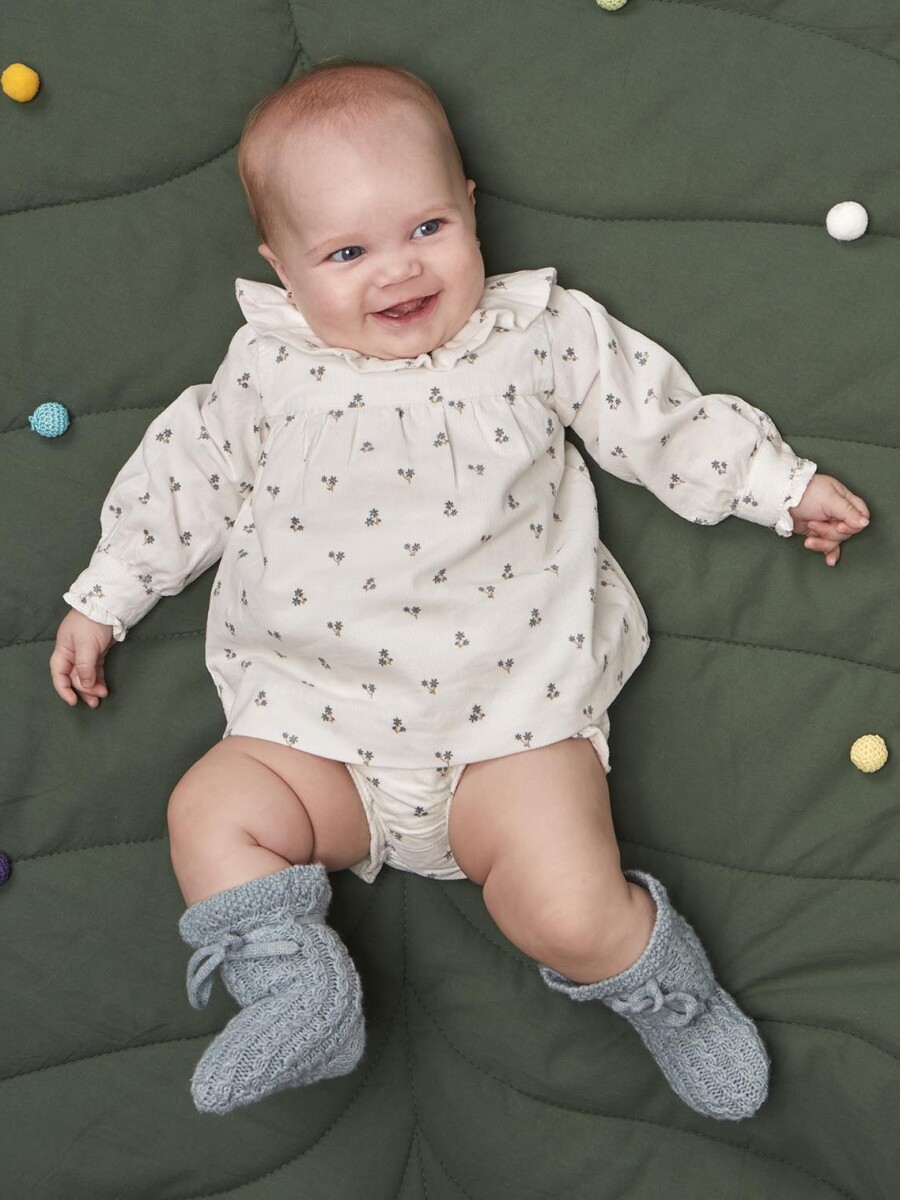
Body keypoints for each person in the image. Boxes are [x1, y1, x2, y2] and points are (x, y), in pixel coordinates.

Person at [51, 61, 870, 1120]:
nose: (396, 271)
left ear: (471, 210)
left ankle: (667, 991)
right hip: (313, 729)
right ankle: (295, 982)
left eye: (426, 229)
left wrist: (777, 486)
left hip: (512, 728)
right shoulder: (265, 372)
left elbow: (656, 416)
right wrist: (105, 595)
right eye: (346, 253)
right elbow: (183, 481)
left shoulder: (537, 332)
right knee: (209, 808)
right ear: (283, 268)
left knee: (570, 909)